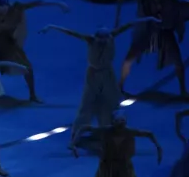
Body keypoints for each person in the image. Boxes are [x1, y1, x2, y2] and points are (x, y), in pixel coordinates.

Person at [39, 19, 159, 148]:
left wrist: (149, 19)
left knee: (111, 104)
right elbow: (72, 33)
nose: (102, 41)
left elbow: (128, 24)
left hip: (107, 74)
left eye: (105, 38)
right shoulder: (91, 40)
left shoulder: (111, 37)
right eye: (100, 38)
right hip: (93, 74)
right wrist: (52, 26)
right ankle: (76, 135)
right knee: (87, 105)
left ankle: (109, 132)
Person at [115, 0, 189, 97]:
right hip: (147, 32)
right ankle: (120, 85)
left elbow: (180, 13)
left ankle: (183, 90)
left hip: (165, 33)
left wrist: (180, 31)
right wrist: (118, 17)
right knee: (128, 60)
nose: (159, 2)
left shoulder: (173, 2)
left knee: (177, 61)